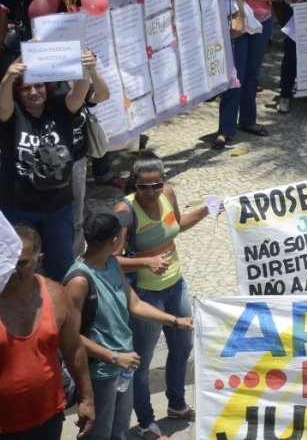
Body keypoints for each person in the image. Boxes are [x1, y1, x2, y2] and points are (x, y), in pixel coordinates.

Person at [63, 209, 194, 440]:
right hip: (101, 371)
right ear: (114, 240)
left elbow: (135, 304)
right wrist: (114, 357)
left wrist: (176, 321)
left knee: (120, 429)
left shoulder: (111, 262)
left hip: (124, 366)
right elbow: (70, 336)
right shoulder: (79, 280)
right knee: (99, 434)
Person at [107, 152, 208, 439]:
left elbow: (177, 224)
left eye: (156, 185)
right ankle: (145, 422)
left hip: (176, 284)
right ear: (133, 184)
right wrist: (144, 262)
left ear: (163, 180)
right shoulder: (124, 209)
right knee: (143, 360)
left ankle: (176, 405)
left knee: (182, 346)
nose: (151, 192)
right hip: (145, 293)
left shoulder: (169, 193)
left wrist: (205, 210)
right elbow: (109, 259)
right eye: (143, 186)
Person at [0, 224, 95, 439]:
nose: (12, 269)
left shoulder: (57, 296)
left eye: (21, 263)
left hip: (47, 419)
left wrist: (87, 399)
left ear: (39, 260)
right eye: (5, 261)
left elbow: (73, 348)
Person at [0, 49, 95, 286]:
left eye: (38, 86)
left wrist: (86, 68)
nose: (33, 91)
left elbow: (79, 92)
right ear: (18, 92)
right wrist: (10, 76)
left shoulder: (62, 109)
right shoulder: (12, 114)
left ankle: (65, 318)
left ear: (47, 88)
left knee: (63, 270)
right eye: (26, 88)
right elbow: (1, 102)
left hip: (58, 209)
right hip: (17, 209)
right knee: (19, 273)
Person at [214, 0, 275, 151]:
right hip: (238, 20)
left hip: (262, 20)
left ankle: (248, 120)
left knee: (252, 74)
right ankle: (225, 129)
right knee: (234, 75)